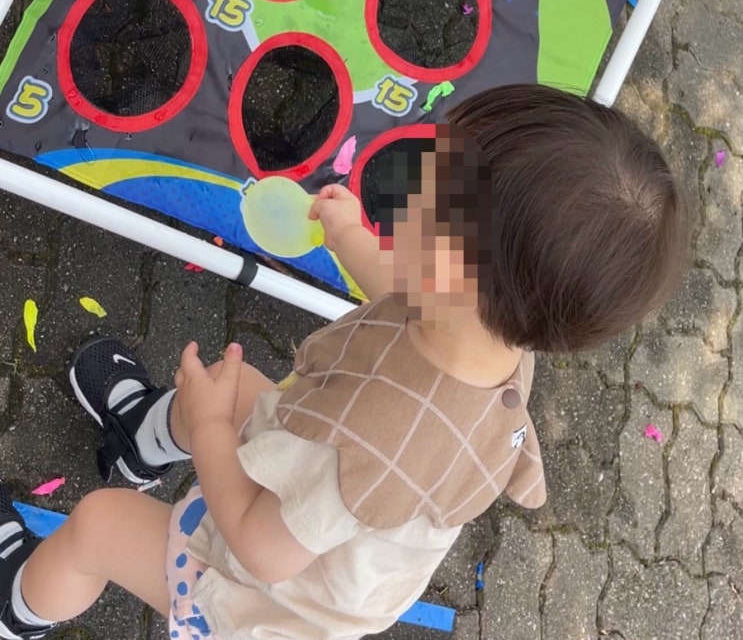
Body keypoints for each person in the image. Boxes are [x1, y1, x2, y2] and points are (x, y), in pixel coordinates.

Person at [0, 84, 688, 640]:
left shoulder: (371, 445)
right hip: (318, 495)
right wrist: (348, 235)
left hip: (262, 593)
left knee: (98, 525)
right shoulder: (498, 331)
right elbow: (403, 290)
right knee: (233, 388)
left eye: (430, 186)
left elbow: (261, 547)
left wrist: (210, 431)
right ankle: (139, 445)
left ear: (452, 268)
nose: (410, 182)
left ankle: (19, 604)